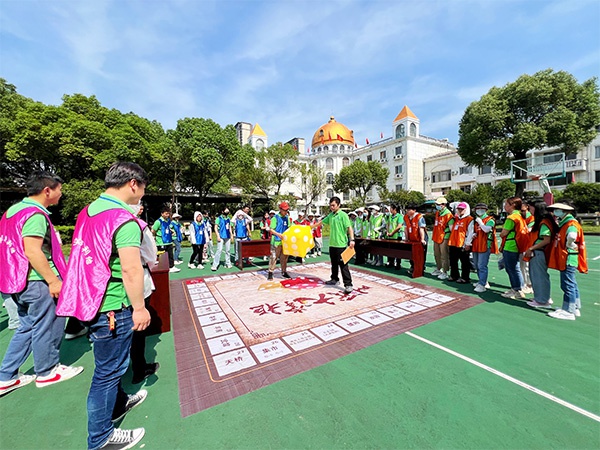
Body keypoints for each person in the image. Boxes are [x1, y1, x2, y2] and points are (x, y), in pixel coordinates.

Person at [56, 162, 151, 449]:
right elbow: (131, 270)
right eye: (144, 188)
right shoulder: (123, 219)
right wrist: (139, 308)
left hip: (91, 300)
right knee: (106, 374)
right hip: (112, 305)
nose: (142, 195)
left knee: (112, 366)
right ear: (133, 184)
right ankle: (100, 438)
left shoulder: (90, 210)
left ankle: (120, 402)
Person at [0, 171, 84, 397]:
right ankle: (47, 370)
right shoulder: (34, 215)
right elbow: (32, 250)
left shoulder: (12, 212)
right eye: (59, 190)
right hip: (36, 281)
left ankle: (6, 376)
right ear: (47, 190)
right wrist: (52, 279)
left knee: (27, 326)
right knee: (48, 324)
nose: (60, 194)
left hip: (16, 280)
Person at [130, 200, 160, 385]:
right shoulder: (138, 226)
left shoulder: (103, 221)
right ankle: (139, 369)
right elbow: (151, 254)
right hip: (138, 280)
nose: (141, 206)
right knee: (138, 331)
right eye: (138, 202)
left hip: (110, 285)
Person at [547, 203, 588, 320]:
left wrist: (570, 243)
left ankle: (568, 311)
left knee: (567, 284)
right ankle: (574, 307)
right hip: (570, 257)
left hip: (568, 257)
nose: (555, 212)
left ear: (564, 211)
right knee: (572, 283)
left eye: (557, 210)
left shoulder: (571, 223)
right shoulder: (566, 222)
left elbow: (572, 235)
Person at [312, 197, 355, 294]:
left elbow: (349, 228)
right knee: (334, 264)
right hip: (332, 244)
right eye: (330, 205)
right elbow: (321, 223)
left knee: (343, 265)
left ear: (338, 205)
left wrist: (352, 239)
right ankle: (334, 279)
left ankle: (348, 284)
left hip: (341, 245)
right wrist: (310, 227)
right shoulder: (331, 216)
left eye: (333, 205)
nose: (331, 207)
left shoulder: (343, 215)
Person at [524, 201, 557, 309]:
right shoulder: (543, 222)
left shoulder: (544, 223)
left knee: (539, 277)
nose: (530, 211)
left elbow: (546, 240)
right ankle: (541, 297)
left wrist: (532, 248)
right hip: (538, 252)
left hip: (539, 252)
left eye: (531, 208)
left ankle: (542, 300)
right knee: (537, 276)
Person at [499, 197, 528, 299]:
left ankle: (516, 289)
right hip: (516, 245)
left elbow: (503, 233)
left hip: (511, 245)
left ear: (513, 205)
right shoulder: (519, 216)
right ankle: (518, 288)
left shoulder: (511, 218)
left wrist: (502, 235)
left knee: (512, 269)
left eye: (507, 204)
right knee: (515, 268)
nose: (505, 206)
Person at [465, 203, 498, 293]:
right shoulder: (476, 220)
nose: (479, 210)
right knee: (476, 265)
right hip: (476, 245)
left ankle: (482, 284)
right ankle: (482, 281)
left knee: (482, 265)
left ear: (486, 210)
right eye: (477, 208)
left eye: (482, 208)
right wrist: (475, 234)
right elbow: (476, 231)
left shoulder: (490, 219)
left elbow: (487, 229)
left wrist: (480, 222)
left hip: (484, 245)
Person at [448, 202, 474, 283]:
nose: (460, 210)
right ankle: (454, 275)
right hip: (453, 243)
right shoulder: (456, 218)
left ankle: (465, 278)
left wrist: (468, 243)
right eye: (458, 209)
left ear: (466, 209)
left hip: (462, 243)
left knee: (465, 262)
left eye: (462, 209)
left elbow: (470, 232)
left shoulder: (469, 219)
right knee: (453, 261)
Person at [267, 201, 291, 280]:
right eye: (284, 210)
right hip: (276, 240)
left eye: (287, 210)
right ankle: (270, 272)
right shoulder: (275, 218)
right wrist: (278, 234)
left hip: (284, 241)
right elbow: (271, 230)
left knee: (284, 258)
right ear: (280, 209)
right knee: (274, 257)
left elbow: (290, 228)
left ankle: (284, 271)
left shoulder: (287, 218)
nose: (286, 211)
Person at [431, 197, 454, 280]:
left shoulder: (448, 214)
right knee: (436, 254)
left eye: (438, 204)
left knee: (444, 255)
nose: (437, 206)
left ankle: (445, 272)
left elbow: (451, 228)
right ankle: (438, 268)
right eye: (436, 204)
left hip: (444, 237)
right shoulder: (438, 213)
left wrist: (446, 237)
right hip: (436, 236)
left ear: (444, 205)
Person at [152, 207, 179, 273]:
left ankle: (171, 266)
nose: (167, 215)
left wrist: (172, 232)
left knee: (170, 255)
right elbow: (153, 230)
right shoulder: (158, 222)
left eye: (168, 214)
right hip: (161, 242)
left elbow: (168, 228)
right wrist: (155, 237)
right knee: (162, 257)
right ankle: (162, 269)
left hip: (169, 241)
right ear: (162, 214)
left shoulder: (169, 221)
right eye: (166, 214)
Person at [404, 204, 428, 276]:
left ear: (414, 210)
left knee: (421, 255)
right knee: (411, 254)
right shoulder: (406, 217)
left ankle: (421, 269)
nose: (407, 211)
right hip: (411, 239)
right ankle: (412, 267)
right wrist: (406, 238)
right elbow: (406, 229)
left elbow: (421, 228)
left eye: (409, 210)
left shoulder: (419, 217)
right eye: (407, 210)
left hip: (419, 238)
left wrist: (422, 239)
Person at [519, 199, 535, 294]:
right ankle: (525, 284)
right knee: (522, 266)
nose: (522, 212)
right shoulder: (520, 218)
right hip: (521, 245)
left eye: (523, 210)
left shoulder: (531, 218)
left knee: (527, 267)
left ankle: (529, 285)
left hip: (529, 246)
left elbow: (528, 231)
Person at [211, 207, 233, 271]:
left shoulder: (229, 219)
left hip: (227, 236)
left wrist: (231, 235)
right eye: (226, 210)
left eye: (228, 210)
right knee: (219, 250)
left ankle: (227, 263)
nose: (227, 211)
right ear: (222, 211)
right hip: (221, 236)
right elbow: (215, 227)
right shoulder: (219, 218)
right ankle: (215, 265)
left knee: (228, 250)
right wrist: (218, 236)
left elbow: (230, 227)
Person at [385, 204, 404, 269]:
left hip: (397, 236)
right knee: (390, 250)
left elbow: (399, 226)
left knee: (397, 251)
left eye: (391, 208)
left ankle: (398, 264)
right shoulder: (390, 216)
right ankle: (391, 262)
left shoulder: (399, 216)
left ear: (395, 209)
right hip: (390, 237)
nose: (390, 210)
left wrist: (392, 233)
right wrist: (387, 232)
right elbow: (387, 224)